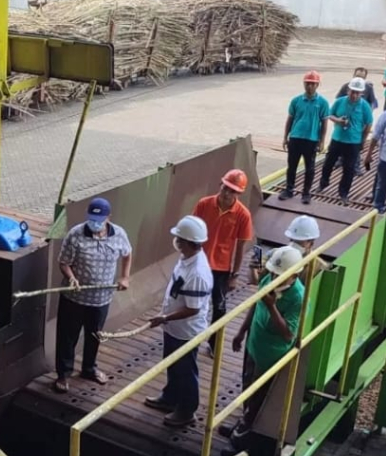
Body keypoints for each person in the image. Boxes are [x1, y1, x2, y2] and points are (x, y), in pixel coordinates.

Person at [228, 245, 305, 445]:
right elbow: (255, 304)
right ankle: (244, 420)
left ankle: (247, 429)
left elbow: (288, 334)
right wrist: (241, 332)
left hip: (270, 355)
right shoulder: (267, 279)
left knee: (259, 394)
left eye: (279, 275)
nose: (274, 277)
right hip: (253, 344)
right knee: (247, 384)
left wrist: (271, 307)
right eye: (273, 272)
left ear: (294, 275)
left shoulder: (298, 297)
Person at [54, 198, 132, 393]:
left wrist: (124, 277)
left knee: (95, 335)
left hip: (100, 300)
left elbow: (127, 254)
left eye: (99, 220)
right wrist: (71, 278)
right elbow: (63, 262)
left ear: (108, 218)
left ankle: (89, 368)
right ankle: (63, 374)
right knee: (67, 337)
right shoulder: (75, 234)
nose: (95, 224)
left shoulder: (119, 234)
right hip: (74, 299)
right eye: (92, 219)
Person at [144, 216, 213, 427]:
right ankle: (170, 397)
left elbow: (193, 308)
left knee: (185, 370)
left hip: (186, 332)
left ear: (188, 242)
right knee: (172, 364)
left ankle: (186, 410)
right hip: (173, 327)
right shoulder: (186, 259)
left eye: (180, 239)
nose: (177, 242)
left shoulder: (198, 273)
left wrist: (165, 317)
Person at [192, 169, 253, 354]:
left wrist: (235, 275)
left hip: (221, 268)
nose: (227, 193)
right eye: (225, 188)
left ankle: (214, 345)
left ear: (238, 194)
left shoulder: (243, 215)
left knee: (219, 307)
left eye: (232, 191)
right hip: (199, 263)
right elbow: (192, 232)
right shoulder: (204, 204)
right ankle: (190, 341)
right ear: (220, 185)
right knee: (193, 303)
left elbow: (241, 246)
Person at [318, 77, 373, 205]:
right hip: (337, 139)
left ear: (361, 93)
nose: (354, 95)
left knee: (349, 169)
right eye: (352, 92)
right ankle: (323, 183)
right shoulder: (340, 101)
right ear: (348, 90)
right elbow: (330, 114)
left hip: (353, 142)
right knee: (328, 163)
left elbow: (369, 124)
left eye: (357, 93)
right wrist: (338, 121)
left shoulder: (364, 106)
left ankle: (343, 193)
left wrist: (362, 141)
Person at [280, 70, 329, 202]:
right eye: (307, 83)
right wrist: (285, 137)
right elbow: (290, 119)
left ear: (317, 85)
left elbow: (324, 123)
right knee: (292, 166)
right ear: (304, 84)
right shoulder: (296, 101)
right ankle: (289, 190)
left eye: (313, 84)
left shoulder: (323, 103)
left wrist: (322, 141)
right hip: (295, 138)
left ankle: (306, 193)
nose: (310, 86)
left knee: (310, 168)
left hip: (311, 140)